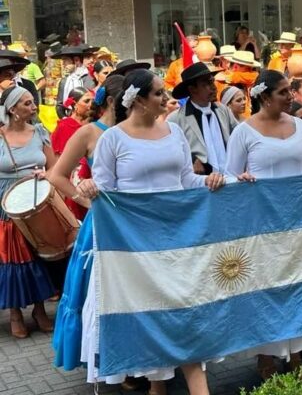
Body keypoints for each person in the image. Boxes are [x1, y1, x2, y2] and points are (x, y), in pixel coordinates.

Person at [75, 69, 227, 394]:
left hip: (179, 241)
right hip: (136, 247)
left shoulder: (173, 133)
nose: (166, 99)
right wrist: (88, 186)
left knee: (186, 315)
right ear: (139, 100)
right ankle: (158, 387)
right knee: (154, 320)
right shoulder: (113, 139)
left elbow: (187, 180)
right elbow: (105, 190)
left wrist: (211, 180)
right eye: (158, 93)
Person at [225, 70, 302, 379]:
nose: (291, 97)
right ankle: (266, 357)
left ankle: (296, 356)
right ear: (265, 97)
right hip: (262, 226)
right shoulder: (244, 132)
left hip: (299, 224)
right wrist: (241, 179)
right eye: (284, 92)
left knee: (296, 284)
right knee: (266, 289)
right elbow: (229, 174)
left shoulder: (298, 125)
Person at [50, 75, 125, 372]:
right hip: (103, 223)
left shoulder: (132, 131)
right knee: (100, 292)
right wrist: (85, 199)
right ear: (111, 101)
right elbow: (57, 175)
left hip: (134, 221)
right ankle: (105, 359)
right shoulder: (89, 133)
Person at [0, 86, 56, 338]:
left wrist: (45, 174)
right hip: (5, 205)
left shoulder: (40, 132)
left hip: (37, 202)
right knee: (11, 258)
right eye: (27, 104)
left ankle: (39, 308)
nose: (34, 107)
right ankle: (14, 313)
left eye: (33, 102)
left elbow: (55, 168)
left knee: (37, 255)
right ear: (12, 110)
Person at [168, 63, 239, 176]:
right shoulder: (176, 119)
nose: (214, 87)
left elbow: (238, 135)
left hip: (229, 177)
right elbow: (171, 150)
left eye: (212, 81)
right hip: (199, 181)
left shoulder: (222, 110)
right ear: (192, 89)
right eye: (207, 83)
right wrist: (192, 159)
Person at [51, 88, 92, 158]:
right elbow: (59, 158)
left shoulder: (93, 124)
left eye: (92, 101)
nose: (91, 105)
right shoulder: (64, 126)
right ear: (75, 105)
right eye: (87, 101)